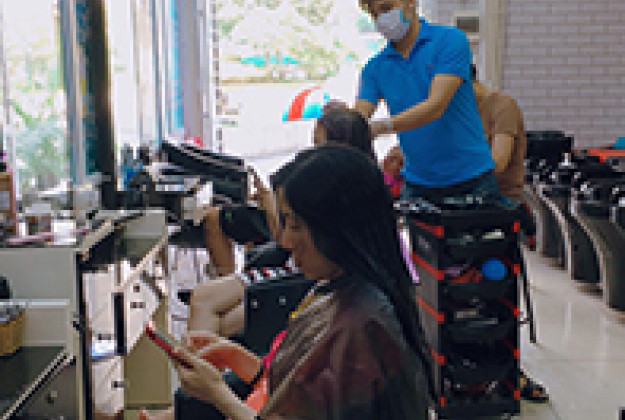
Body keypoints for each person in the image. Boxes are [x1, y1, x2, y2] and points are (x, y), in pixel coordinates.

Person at [147, 145, 431, 420]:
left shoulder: (361, 328)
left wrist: (218, 394)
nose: (284, 241)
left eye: (295, 226)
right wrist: (241, 361)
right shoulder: (341, 294)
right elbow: (307, 395)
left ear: (335, 229)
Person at [187, 107, 376, 335]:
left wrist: (271, 207)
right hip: (290, 273)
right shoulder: (341, 189)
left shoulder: (335, 198)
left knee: (216, 319)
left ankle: (201, 357)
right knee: (203, 299)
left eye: (319, 145)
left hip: (295, 281)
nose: (313, 152)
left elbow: (289, 243)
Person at [356, 0, 499, 204]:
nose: (381, 18)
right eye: (374, 13)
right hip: (417, 185)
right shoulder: (374, 69)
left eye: (386, 8)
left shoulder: (450, 41)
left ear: (411, 3)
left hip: (472, 179)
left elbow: (436, 107)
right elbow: (359, 117)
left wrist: (381, 127)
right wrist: (342, 122)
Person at [472, 66, 548, 403]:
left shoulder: (501, 106)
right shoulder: (454, 115)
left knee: (493, 292)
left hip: (499, 209)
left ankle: (507, 370)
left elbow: (498, 162)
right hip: (467, 209)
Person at [471, 65, 527, 205]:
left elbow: (497, 163)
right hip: (474, 196)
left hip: (503, 199)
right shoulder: (463, 111)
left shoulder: (502, 106)